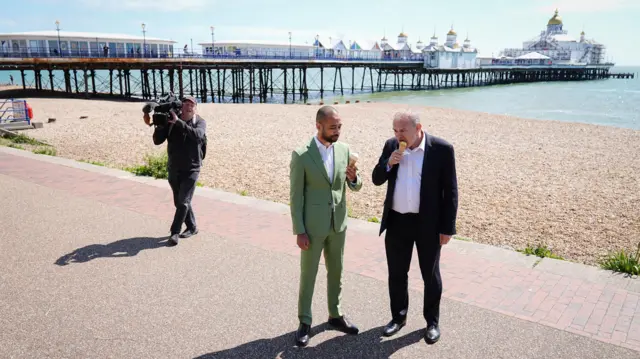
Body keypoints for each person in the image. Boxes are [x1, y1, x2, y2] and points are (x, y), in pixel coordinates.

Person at [371, 110, 458, 344]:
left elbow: (450, 191)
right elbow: (377, 178)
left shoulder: (441, 149)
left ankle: (432, 322)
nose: (399, 135)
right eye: (395, 130)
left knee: (430, 274)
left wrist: (447, 227)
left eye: (403, 130)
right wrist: (388, 163)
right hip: (398, 220)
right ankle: (398, 318)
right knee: (397, 273)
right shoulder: (391, 145)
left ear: (418, 128)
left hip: (428, 223)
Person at [289, 106, 363, 347]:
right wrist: (299, 229)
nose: (337, 132)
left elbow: (354, 185)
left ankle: (335, 315)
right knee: (308, 275)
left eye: (340, 127)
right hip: (312, 227)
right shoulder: (302, 154)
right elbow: (296, 196)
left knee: (337, 272)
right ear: (318, 125)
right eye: (333, 127)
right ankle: (305, 321)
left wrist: (354, 179)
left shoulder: (344, 150)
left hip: (338, 224)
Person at [144, 95, 207, 246]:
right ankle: (192, 227)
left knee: (183, 202)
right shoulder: (171, 121)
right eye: (186, 103)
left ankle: (174, 233)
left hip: (192, 168)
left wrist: (178, 123)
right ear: (181, 106)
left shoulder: (199, 122)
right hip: (174, 167)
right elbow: (157, 141)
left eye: (192, 104)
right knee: (179, 201)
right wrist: (160, 125)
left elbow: (197, 135)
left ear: (195, 107)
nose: (188, 106)